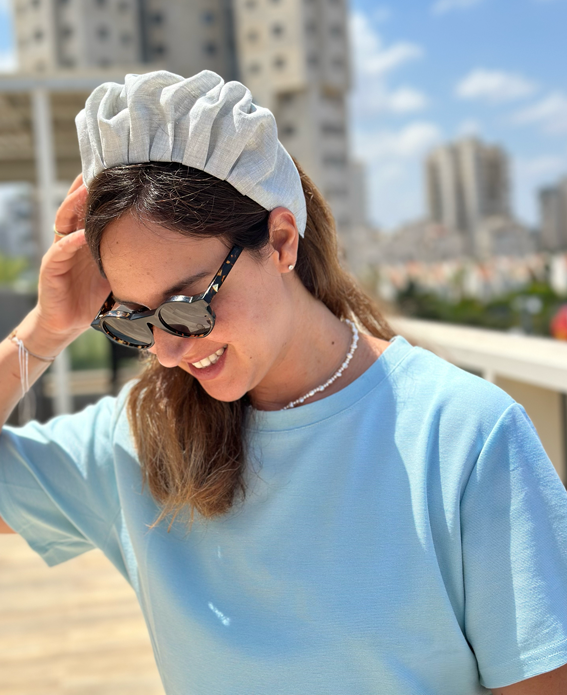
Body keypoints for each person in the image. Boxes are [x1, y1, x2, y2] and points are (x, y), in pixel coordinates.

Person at [0, 70, 566, 695]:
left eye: (187, 305)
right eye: (135, 318)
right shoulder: (140, 436)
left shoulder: (462, 435)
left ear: (281, 240)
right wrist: (45, 330)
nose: (166, 351)